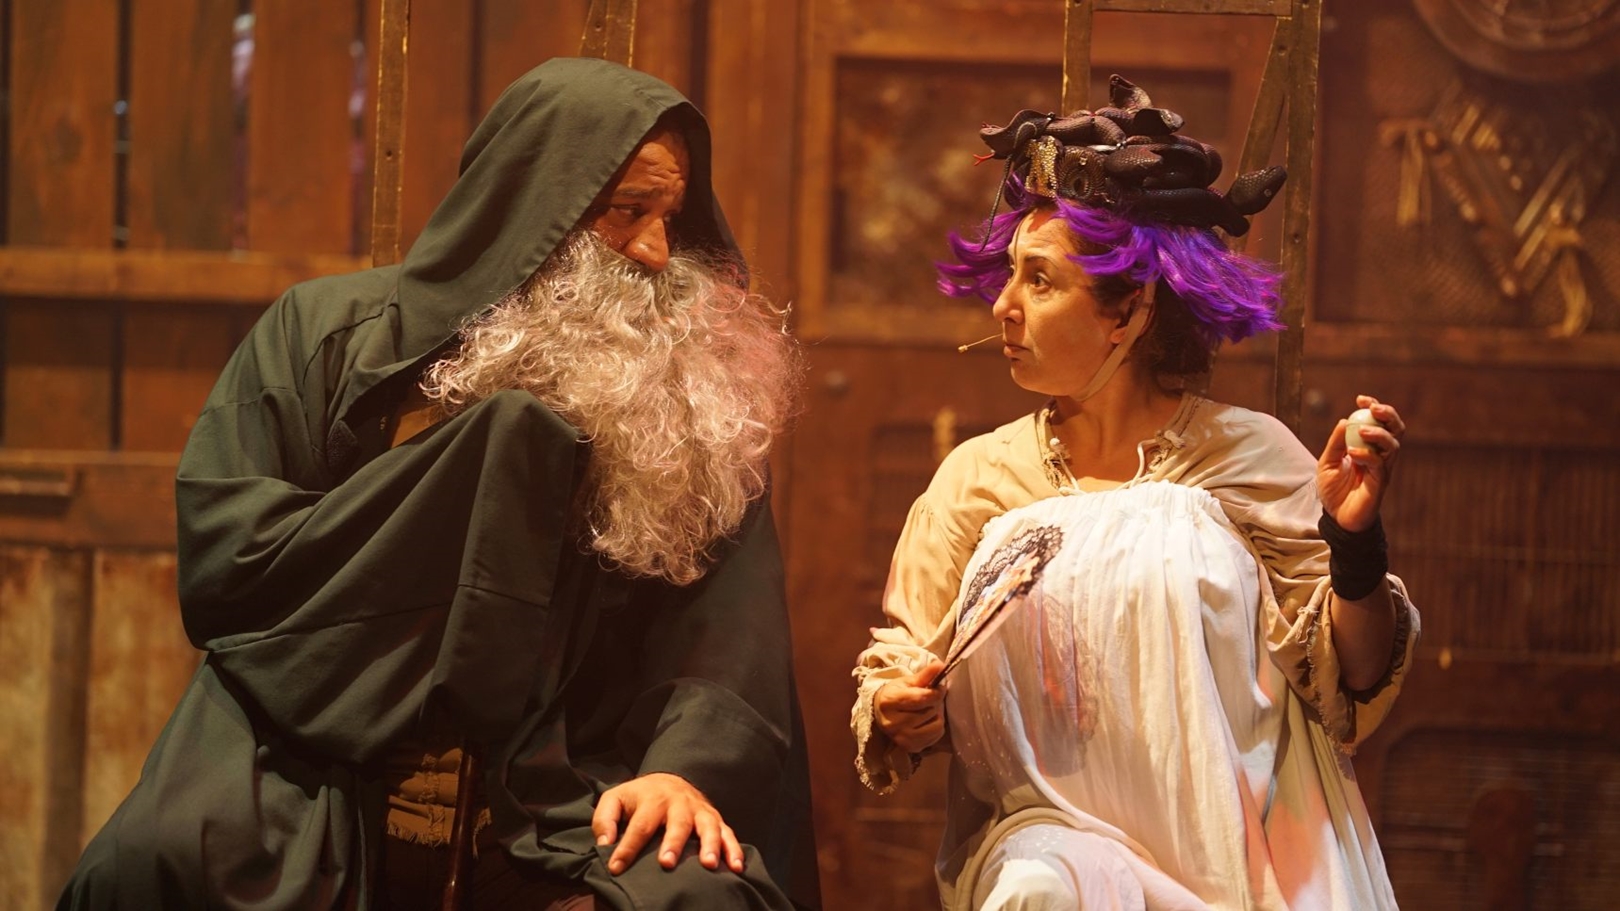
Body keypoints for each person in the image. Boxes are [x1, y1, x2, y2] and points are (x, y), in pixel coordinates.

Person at [59, 57, 819, 911]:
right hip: (316, 761)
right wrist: (460, 479)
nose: (656, 251)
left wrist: (682, 769)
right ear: (532, 208)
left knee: (697, 899)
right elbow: (233, 560)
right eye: (626, 212)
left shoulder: (693, 395)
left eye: (670, 217)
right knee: (158, 863)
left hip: (572, 784)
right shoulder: (328, 335)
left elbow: (728, 640)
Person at [850, 76, 1419, 910]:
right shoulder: (977, 482)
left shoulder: (1249, 457)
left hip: (1239, 852)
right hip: (1054, 852)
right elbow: (903, 661)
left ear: (1130, 311)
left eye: (1040, 282)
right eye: (1009, 275)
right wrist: (898, 707)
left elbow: (1353, 679)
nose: (1003, 306)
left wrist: (1354, 545)